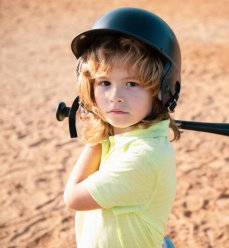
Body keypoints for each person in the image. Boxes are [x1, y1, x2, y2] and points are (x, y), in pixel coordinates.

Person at [63, 7, 181, 248]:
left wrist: (95, 136)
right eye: (104, 82)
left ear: (162, 91)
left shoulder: (143, 156)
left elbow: (73, 197)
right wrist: (103, 129)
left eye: (131, 83)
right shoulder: (125, 136)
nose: (115, 96)